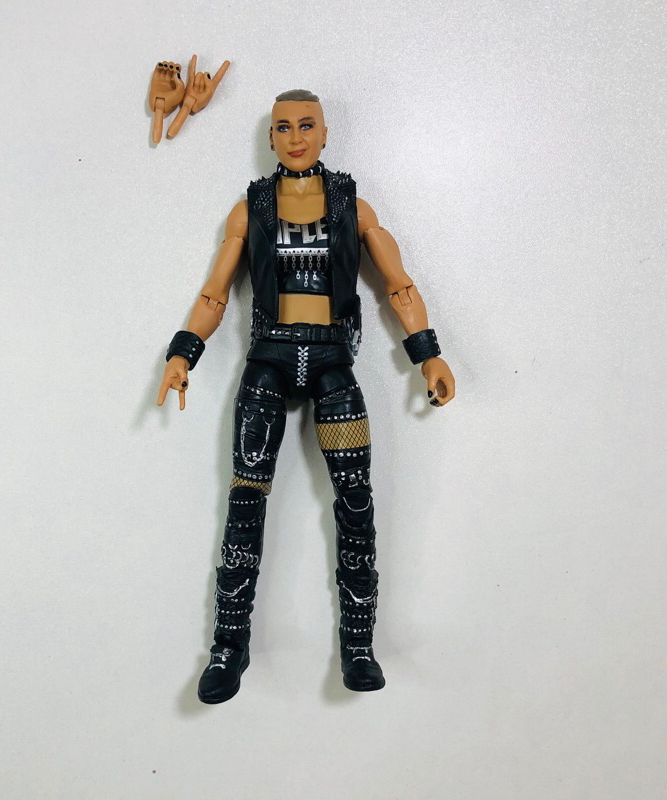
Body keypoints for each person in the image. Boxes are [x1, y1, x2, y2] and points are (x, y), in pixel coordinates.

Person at [158, 90, 455, 704]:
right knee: (246, 500)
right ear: (271, 138)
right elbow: (215, 292)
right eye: (283, 128)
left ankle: (358, 645)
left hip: (330, 361)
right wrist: (184, 352)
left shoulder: (352, 205)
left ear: (324, 133)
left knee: (356, 501)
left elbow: (398, 284)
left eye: (306, 126)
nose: (295, 138)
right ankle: (228, 647)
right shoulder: (252, 208)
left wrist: (428, 353)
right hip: (268, 359)